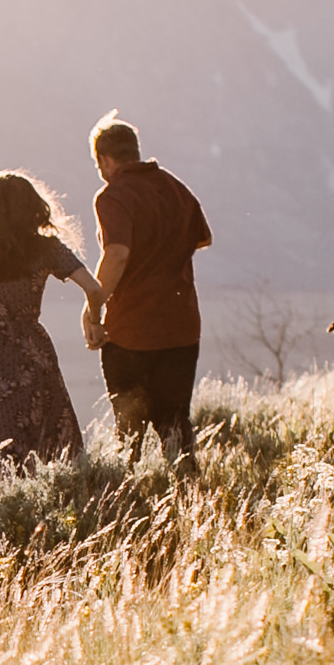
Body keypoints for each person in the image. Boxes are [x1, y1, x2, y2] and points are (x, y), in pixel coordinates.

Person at [0, 170, 106, 482]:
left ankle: (8, 506)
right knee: (52, 431)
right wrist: (95, 323)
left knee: (0, 439)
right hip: (34, 346)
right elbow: (95, 289)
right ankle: (69, 495)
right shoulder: (47, 249)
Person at [84, 113, 212, 469]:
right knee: (175, 423)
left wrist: (93, 310)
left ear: (105, 160)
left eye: (99, 164)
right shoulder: (176, 188)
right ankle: (191, 506)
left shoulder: (113, 196)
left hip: (131, 331)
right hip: (182, 327)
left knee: (129, 433)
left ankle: (129, 508)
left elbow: (118, 254)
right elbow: (204, 238)